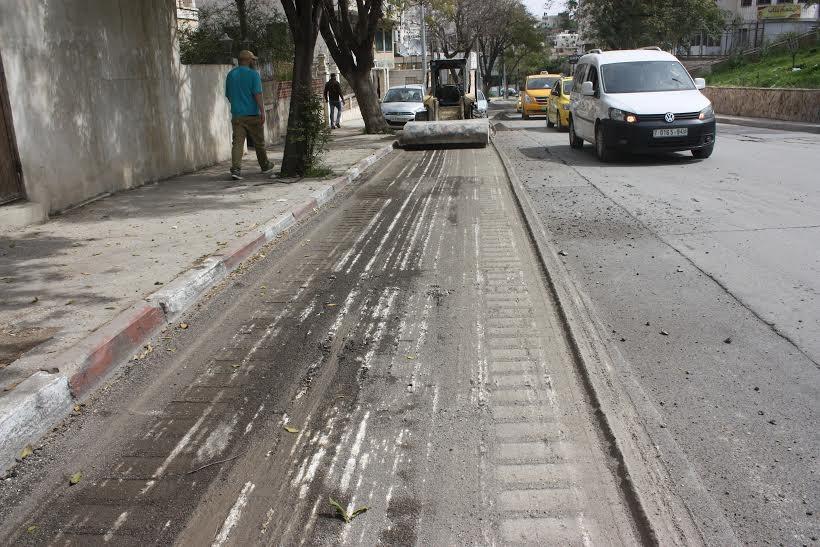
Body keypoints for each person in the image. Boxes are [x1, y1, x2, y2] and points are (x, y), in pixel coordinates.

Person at [225, 50, 273, 180]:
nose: (253, 61)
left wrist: (237, 105)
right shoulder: (253, 74)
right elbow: (257, 94)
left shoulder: (231, 75)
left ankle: (236, 169)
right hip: (252, 114)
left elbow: (228, 95)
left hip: (237, 115)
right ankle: (265, 166)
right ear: (248, 60)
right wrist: (262, 111)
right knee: (259, 143)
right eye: (252, 59)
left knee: (237, 143)